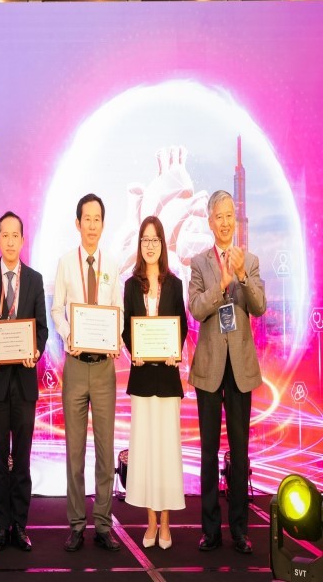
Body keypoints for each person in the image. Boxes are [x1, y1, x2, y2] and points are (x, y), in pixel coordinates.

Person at [189, 190, 265, 554]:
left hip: (240, 369)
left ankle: (239, 529)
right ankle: (210, 530)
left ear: (235, 220)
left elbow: (259, 306)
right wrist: (220, 285)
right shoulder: (199, 263)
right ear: (210, 221)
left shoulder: (249, 261)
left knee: (239, 451)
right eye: (218, 216)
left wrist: (241, 277)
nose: (225, 222)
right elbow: (195, 309)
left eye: (229, 215)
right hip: (209, 367)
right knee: (208, 452)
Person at [51, 193, 123, 552]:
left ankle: (103, 524)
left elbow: (118, 312)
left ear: (103, 224)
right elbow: (56, 309)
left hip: (104, 368)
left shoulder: (113, 263)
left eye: (98, 219)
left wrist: (114, 338)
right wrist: (69, 335)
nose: (92, 225)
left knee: (106, 452)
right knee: (75, 451)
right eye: (87, 219)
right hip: (77, 367)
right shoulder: (66, 263)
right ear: (77, 223)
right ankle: (77, 524)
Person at [0, 211, 48, 552]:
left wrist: (36, 350)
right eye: (4, 235)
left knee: (23, 460)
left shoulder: (34, 279)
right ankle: (1, 527)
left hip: (25, 384)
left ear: (22, 239)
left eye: (15, 235)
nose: (10, 241)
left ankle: (20, 525)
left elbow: (41, 328)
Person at [121, 215, 188, 550]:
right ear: (140, 244)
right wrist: (133, 350)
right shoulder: (130, 285)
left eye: (155, 239)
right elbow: (126, 330)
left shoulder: (174, 284)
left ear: (163, 244)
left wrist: (175, 351)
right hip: (142, 379)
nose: (150, 245)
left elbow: (182, 326)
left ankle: (166, 523)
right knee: (146, 452)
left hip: (168, 379)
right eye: (145, 240)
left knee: (167, 452)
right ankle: (150, 522)